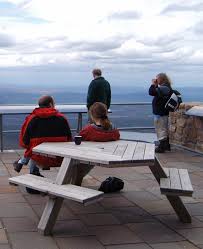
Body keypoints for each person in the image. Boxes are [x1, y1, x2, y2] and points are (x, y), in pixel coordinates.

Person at [13, 95, 72, 193]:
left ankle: (32, 175)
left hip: (38, 157)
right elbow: (69, 139)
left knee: (33, 148)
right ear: (50, 104)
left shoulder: (32, 119)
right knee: (35, 147)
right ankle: (31, 171)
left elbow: (24, 141)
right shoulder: (62, 119)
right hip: (58, 157)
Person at [73, 102, 120, 186]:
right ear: (106, 113)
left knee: (75, 162)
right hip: (110, 156)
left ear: (92, 115)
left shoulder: (89, 130)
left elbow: (77, 139)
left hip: (90, 157)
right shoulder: (114, 130)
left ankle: (74, 182)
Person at [149, 73, 173, 153]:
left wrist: (153, 84)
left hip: (160, 113)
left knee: (160, 130)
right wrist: (156, 85)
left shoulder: (165, 88)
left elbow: (151, 92)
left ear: (162, 79)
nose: (156, 80)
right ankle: (166, 146)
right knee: (163, 129)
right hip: (161, 112)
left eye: (157, 78)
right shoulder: (165, 87)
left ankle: (162, 147)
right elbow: (156, 92)